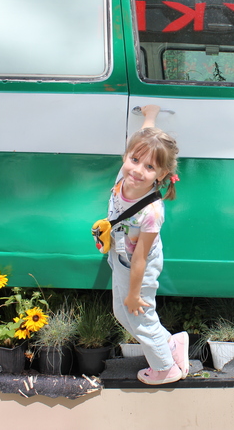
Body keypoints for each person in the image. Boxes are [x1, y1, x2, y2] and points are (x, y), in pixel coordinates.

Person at [94, 104, 187, 385]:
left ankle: (166, 368)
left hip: (139, 268)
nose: (137, 170)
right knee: (122, 314)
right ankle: (170, 344)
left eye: (149, 167)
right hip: (121, 257)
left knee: (140, 319)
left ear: (161, 174)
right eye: (134, 159)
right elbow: (144, 136)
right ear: (126, 155)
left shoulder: (151, 213)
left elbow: (141, 259)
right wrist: (150, 117)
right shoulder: (124, 177)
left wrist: (135, 294)